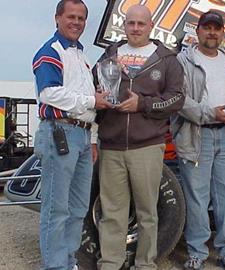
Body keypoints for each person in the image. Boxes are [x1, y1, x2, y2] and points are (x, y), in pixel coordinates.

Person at [94, 4, 184, 270]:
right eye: (131, 23)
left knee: (147, 212)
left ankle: (145, 264)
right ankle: (110, 263)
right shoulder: (108, 56)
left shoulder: (166, 59)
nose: (135, 28)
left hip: (147, 146)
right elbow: (94, 93)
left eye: (141, 24)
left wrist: (142, 104)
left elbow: (177, 98)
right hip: (111, 145)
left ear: (151, 26)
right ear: (124, 25)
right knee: (112, 213)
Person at [32, 1, 113, 269]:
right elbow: (49, 94)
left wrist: (91, 140)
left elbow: (88, 105)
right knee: (56, 210)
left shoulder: (81, 56)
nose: (76, 22)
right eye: (70, 16)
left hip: (80, 136)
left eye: (81, 18)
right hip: (59, 133)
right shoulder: (50, 52)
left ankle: (68, 261)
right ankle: (55, 266)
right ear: (57, 18)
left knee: (78, 208)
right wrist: (92, 100)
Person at [171, 11, 225, 270]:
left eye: (217, 28)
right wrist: (211, 113)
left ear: (223, 33)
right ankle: (197, 252)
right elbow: (178, 100)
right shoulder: (183, 61)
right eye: (207, 28)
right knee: (197, 198)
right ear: (198, 30)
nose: (212, 33)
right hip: (196, 135)